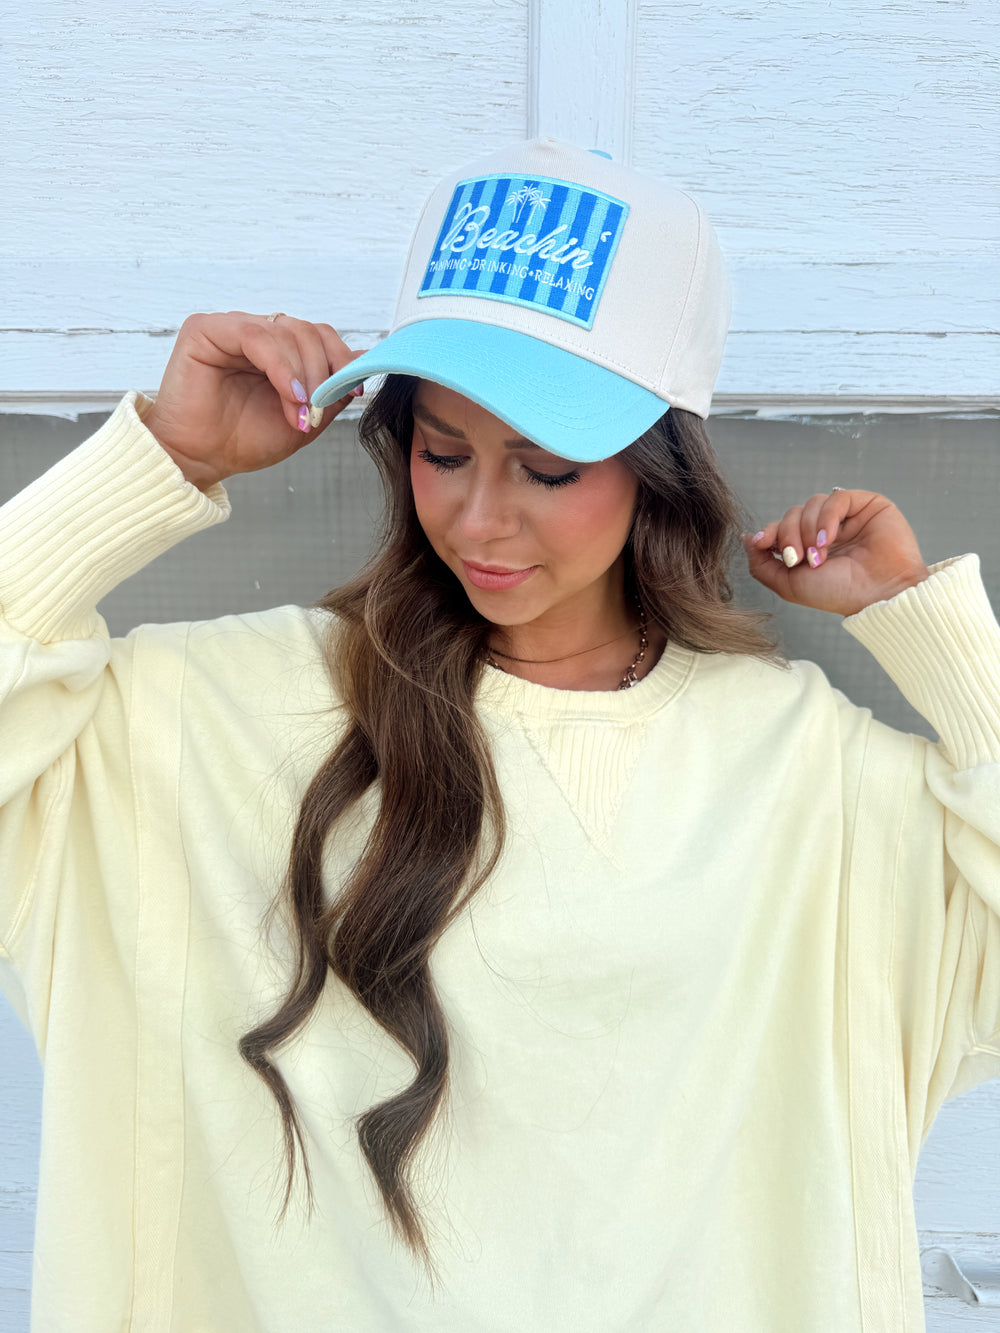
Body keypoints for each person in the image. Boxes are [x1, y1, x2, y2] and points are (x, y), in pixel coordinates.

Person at [1, 137, 998, 1332]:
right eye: (442, 451)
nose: (479, 517)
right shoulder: (216, 714)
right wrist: (160, 457)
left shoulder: (804, 773)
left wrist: (925, 628)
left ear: (657, 467)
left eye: (548, 465)